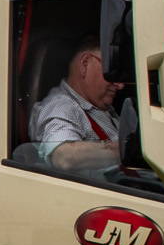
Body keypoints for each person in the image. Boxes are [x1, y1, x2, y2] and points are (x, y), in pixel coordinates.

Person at [29, 37, 124, 172]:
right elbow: (65, 157)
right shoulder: (60, 106)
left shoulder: (100, 106)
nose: (120, 85)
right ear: (85, 64)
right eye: (113, 73)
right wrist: (127, 152)